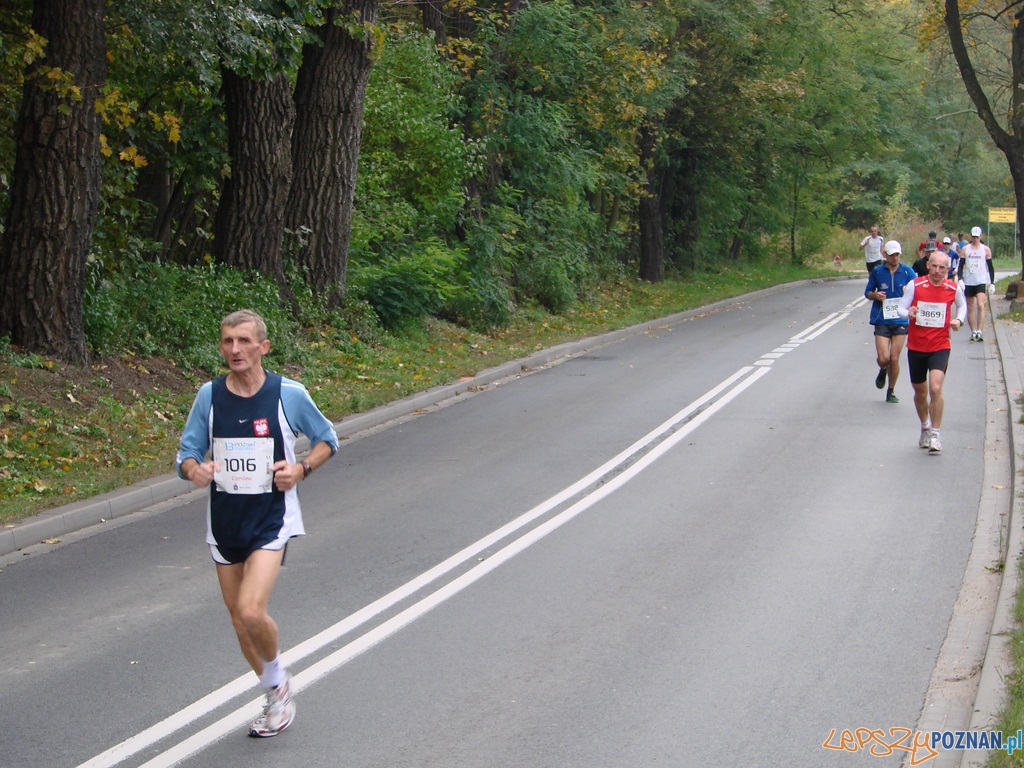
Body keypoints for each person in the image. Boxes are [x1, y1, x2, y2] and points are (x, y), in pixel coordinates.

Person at [176, 309, 339, 737]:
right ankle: (276, 690)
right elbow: (186, 453)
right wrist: (194, 470)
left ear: (263, 347)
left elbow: (328, 440)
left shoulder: (289, 393)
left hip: (272, 518)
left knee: (251, 609)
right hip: (225, 522)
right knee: (237, 618)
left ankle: (278, 686)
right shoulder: (209, 397)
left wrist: (301, 470)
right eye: (228, 341)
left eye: (244, 341)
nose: (235, 349)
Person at [897, 251, 966, 453]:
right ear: (928, 265)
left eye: (942, 268)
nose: (937, 271)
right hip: (917, 346)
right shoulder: (915, 285)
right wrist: (908, 313)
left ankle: (936, 434)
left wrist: (958, 321)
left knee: (935, 388)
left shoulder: (953, 288)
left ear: (947, 270)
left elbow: (962, 307)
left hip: (940, 345)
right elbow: (901, 308)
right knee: (920, 392)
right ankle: (925, 426)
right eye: (934, 266)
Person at [864, 240, 916, 403]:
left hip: (901, 318)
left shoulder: (907, 272)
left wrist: (909, 292)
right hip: (882, 318)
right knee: (884, 358)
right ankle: (883, 369)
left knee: (894, 358)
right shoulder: (878, 272)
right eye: (891, 255)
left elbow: (918, 289)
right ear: (885, 255)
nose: (895, 258)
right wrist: (876, 295)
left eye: (897, 255)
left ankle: (891, 390)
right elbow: (867, 292)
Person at [961, 226, 994, 342]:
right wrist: (960, 279)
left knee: (980, 304)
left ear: (981, 236)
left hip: (980, 281)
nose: (975, 239)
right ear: (971, 236)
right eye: (973, 237)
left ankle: (980, 330)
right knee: (970, 307)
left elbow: (990, 267)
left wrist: (992, 282)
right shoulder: (965, 249)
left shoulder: (985, 250)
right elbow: (961, 265)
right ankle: (973, 331)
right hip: (969, 281)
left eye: (977, 237)